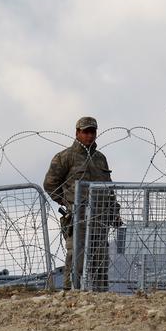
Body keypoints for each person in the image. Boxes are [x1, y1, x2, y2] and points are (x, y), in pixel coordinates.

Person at [43, 116, 120, 291]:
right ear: (77, 133)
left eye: (92, 131)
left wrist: (114, 211)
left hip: (100, 218)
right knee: (76, 259)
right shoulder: (65, 157)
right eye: (85, 131)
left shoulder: (100, 159)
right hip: (78, 219)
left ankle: (100, 295)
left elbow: (108, 187)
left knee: (100, 260)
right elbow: (50, 184)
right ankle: (72, 293)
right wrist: (68, 202)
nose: (89, 135)